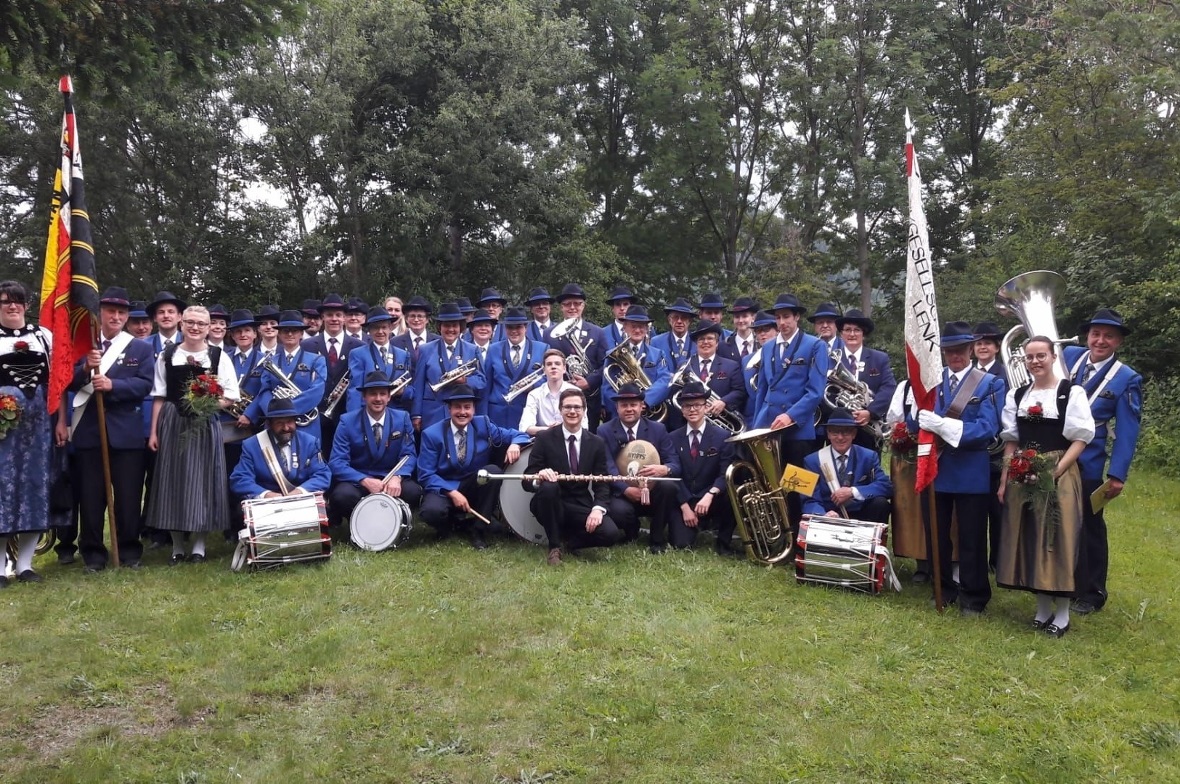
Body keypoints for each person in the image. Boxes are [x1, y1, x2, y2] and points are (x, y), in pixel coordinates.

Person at [997, 336, 1095, 637]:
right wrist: (1004, 480)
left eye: (1041, 355)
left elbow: (1081, 438)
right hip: (1023, 473)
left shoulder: (1070, 393)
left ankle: (1062, 614)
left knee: (1057, 537)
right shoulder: (1018, 394)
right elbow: (1011, 439)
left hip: (1059, 471)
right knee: (1030, 535)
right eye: (1030, 357)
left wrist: (1056, 471)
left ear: (1054, 357)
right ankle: (1041, 609)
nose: (1036, 361)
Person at [911, 321, 1003, 615]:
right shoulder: (931, 383)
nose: (956, 356)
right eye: (950, 350)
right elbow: (918, 425)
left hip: (970, 471)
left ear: (971, 349)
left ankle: (974, 597)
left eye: (961, 349)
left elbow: (987, 428)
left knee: (972, 537)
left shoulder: (989, 383)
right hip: (934, 469)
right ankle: (942, 589)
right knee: (936, 536)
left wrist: (944, 425)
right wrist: (918, 417)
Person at [65, 286, 155, 571]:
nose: (115, 316)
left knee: (128, 499)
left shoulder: (140, 347)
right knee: (91, 499)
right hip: (90, 432)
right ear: (100, 313)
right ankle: (93, 554)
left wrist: (114, 385)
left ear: (126, 317)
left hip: (126, 434)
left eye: (121, 312)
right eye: (110, 311)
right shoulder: (82, 345)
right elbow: (65, 382)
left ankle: (129, 552)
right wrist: (84, 370)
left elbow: (144, 384)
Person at [146, 305, 240, 564]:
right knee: (173, 482)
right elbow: (159, 395)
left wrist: (207, 404)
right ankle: (177, 546)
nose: (195, 327)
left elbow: (231, 395)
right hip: (173, 422)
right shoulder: (167, 355)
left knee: (202, 482)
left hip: (204, 424)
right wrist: (153, 432)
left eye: (201, 323)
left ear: (209, 328)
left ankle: (198, 546)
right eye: (190, 322)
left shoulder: (218, 356)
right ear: (182, 324)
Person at [1062, 308, 1142, 615]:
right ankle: (1064, 581)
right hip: (1056, 454)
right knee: (1059, 523)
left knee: (1090, 526)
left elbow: (1126, 430)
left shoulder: (1127, 378)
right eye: (1096, 334)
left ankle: (1093, 591)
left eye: (1109, 336)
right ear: (1087, 336)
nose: (1100, 340)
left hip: (1089, 462)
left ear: (1118, 341)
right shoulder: (1069, 356)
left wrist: (1117, 474)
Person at [752, 294, 829, 534]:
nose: (782, 322)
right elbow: (762, 391)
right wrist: (756, 428)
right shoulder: (766, 348)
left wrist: (791, 416)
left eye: (787, 316)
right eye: (778, 317)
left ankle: (800, 535)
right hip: (770, 428)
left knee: (798, 484)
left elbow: (815, 392)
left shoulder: (815, 346)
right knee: (774, 483)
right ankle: (778, 532)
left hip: (798, 429)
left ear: (797, 317)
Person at [417, 384, 529, 548]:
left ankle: (478, 530)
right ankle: (453, 525)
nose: (462, 412)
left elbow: (519, 435)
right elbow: (425, 475)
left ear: (474, 410)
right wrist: (452, 493)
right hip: (444, 488)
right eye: (457, 407)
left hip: (473, 485)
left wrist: (515, 445)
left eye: (467, 407)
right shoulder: (431, 434)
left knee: (492, 472)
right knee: (431, 513)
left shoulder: (483, 425)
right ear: (449, 409)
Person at [525, 388, 623, 564]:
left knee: (610, 533)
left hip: (579, 503)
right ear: (560, 410)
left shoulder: (596, 442)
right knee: (549, 486)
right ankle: (554, 548)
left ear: (584, 411)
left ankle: (569, 543)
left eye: (577, 407)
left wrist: (597, 509)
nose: (572, 411)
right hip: (549, 502)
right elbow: (527, 479)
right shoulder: (544, 438)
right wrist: (539, 476)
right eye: (567, 407)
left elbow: (602, 483)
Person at [0, 280, 55, 585]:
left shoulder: (43, 336)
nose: (12, 306)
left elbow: (59, 382)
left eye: (18, 301)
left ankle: (26, 564)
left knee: (35, 487)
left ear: (26, 305)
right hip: (3, 430)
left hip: (39, 428)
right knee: (3, 491)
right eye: (6, 301)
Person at [328, 370, 422, 527]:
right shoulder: (347, 421)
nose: (378, 398)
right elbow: (337, 462)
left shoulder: (403, 418)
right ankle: (362, 525)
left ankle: (393, 522)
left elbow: (409, 455)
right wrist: (364, 480)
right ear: (364, 397)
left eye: (382, 394)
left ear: (389, 397)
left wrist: (397, 477)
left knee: (414, 492)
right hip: (359, 481)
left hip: (390, 479)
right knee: (341, 496)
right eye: (373, 394)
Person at [596, 382, 679, 551]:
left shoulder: (658, 429)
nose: (629, 409)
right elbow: (608, 467)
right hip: (623, 492)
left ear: (642, 406)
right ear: (617, 408)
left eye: (633, 405)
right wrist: (626, 489)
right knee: (619, 511)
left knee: (669, 486)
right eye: (624, 405)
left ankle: (657, 538)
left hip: (653, 489)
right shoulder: (604, 431)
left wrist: (665, 469)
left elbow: (674, 462)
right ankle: (631, 530)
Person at [668, 382, 737, 554]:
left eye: (697, 405)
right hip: (685, 499)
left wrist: (710, 494)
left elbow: (724, 473)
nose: (692, 410)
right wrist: (684, 507)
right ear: (682, 410)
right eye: (687, 406)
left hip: (711, 497)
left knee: (732, 494)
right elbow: (673, 475)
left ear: (706, 407)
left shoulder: (723, 436)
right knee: (681, 545)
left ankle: (724, 542)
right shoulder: (672, 438)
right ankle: (694, 524)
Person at [245, 310, 327, 442]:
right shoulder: (270, 361)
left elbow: (317, 391)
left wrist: (287, 411)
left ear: (301, 333)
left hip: (305, 423)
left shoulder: (316, 360)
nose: (290, 334)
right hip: (275, 423)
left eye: (294, 330)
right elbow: (264, 391)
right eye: (285, 330)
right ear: (280, 334)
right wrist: (273, 413)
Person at [802, 407, 892, 524]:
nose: (840, 437)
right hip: (828, 517)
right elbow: (808, 500)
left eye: (845, 432)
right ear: (828, 434)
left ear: (854, 434)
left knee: (881, 503)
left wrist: (853, 492)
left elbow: (886, 486)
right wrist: (823, 515)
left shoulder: (868, 456)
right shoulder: (811, 461)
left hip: (861, 515)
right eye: (835, 432)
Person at [230, 397, 331, 500]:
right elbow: (240, 479)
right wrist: (266, 494)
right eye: (279, 423)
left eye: (289, 422)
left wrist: (300, 491)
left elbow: (322, 475)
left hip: (301, 500)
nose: (286, 428)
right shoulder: (252, 445)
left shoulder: (309, 442)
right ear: (269, 424)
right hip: (267, 503)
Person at [412, 302, 486, 431]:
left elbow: (481, 381)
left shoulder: (472, 350)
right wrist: (416, 414)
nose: (451, 329)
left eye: (454, 325)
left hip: (461, 414)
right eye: (446, 325)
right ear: (440, 327)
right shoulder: (425, 349)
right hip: (433, 411)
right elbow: (418, 385)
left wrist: (465, 381)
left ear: (461, 327)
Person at [832, 309, 897, 451]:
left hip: (868, 428)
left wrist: (870, 412)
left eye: (857, 330)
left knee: (870, 469)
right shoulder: (831, 359)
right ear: (841, 334)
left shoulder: (879, 358)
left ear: (864, 334)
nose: (852, 334)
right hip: (838, 429)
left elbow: (889, 387)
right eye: (847, 330)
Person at [545, 283, 607, 427]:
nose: (572, 307)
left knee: (588, 438)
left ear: (583, 306)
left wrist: (589, 382)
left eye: (577, 304)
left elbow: (605, 364)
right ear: (561, 307)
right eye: (567, 304)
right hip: (559, 397)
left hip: (590, 397)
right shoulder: (549, 334)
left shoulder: (598, 332)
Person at [973, 321, 1008, 570]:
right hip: (973, 449)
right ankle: (977, 559)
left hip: (998, 451)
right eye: (978, 343)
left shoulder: (1006, 373)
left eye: (987, 343)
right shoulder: (966, 372)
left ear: (996, 347)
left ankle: (998, 560)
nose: (983, 347)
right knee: (974, 511)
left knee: (998, 509)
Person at [600, 305, 672, 417]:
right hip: (621, 416)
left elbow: (665, 380)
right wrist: (624, 406)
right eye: (633, 326)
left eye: (641, 327)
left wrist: (645, 401)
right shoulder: (612, 355)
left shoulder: (657, 354)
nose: (637, 330)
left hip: (650, 415)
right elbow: (607, 388)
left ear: (647, 329)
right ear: (625, 327)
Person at [484, 307, 549, 430]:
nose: (514, 331)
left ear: (526, 327)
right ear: (505, 328)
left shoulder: (542, 348)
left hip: (527, 412)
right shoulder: (493, 349)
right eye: (510, 327)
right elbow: (487, 384)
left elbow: (548, 379)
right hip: (498, 415)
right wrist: (483, 417)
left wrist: (532, 386)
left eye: (518, 327)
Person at [343, 306, 413, 416]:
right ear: (369, 330)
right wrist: (354, 418)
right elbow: (355, 391)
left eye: (384, 327)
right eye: (376, 328)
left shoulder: (403, 355)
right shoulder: (358, 354)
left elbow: (411, 390)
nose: (380, 331)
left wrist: (403, 392)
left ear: (390, 328)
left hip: (395, 414)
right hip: (367, 413)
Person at [681, 319, 746, 430]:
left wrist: (723, 401)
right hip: (692, 425)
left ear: (717, 343)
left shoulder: (731, 366)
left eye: (710, 338)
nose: (705, 342)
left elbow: (740, 391)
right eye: (701, 339)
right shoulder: (685, 366)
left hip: (720, 426)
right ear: (696, 343)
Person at [519, 349, 579, 435]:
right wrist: (549, 430)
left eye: (557, 364)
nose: (553, 367)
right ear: (544, 370)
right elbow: (525, 427)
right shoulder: (534, 395)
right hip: (544, 441)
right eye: (549, 364)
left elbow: (584, 426)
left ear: (564, 368)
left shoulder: (576, 393)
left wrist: (562, 429)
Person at [651, 297, 696, 370]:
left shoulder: (697, 342)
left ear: (690, 321)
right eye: (675, 317)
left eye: (684, 317)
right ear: (669, 320)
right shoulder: (656, 342)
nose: (679, 321)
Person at [390, 295, 437, 362]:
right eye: (412, 316)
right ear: (406, 319)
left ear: (427, 319)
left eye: (420, 316)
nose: (416, 320)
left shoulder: (437, 341)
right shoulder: (395, 342)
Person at [602, 285, 635, 351]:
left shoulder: (644, 331)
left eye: (625, 304)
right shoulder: (602, 333)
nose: (622, 308)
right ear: (612, 308)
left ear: (631, 307)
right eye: (618, 304)